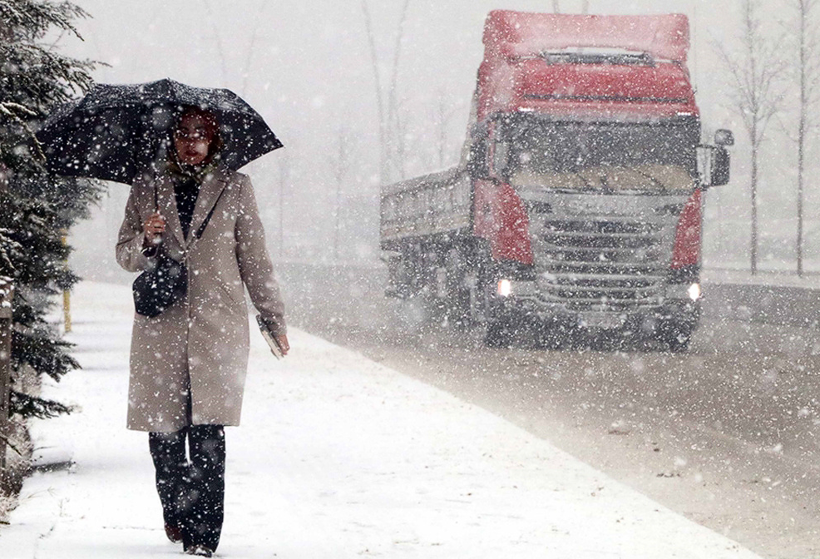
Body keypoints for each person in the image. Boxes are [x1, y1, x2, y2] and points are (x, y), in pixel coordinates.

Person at [116, 106, 289, 557]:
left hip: (218, 327)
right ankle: (175, 507)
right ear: (172, 140)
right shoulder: (146, 185)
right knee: (164, 435)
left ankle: (204, 538)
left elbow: (255, 259)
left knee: (209, 434)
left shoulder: (236, 187)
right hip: (162, 328)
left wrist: (272, 319)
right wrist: (147, 240)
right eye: (184, 134)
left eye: (201, 135)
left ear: (214, 142)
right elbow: (124, 255)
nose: (191, 142)